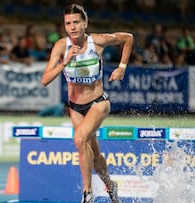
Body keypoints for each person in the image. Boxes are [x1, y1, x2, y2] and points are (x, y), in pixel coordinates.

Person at [41, 4, 133, 203]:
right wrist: (64, 62)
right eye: (68, 23)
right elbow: (45, 79)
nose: (72, 27)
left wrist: (122, 67)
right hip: (75, 107)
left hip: (98, 103)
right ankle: (110, 185)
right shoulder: (61, 46)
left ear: (85, 23)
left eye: (76, 22)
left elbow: (128, 38)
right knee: (94, 153)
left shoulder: (97, 42)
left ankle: (87, 193)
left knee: (79, 139)